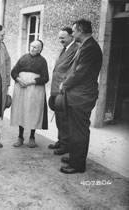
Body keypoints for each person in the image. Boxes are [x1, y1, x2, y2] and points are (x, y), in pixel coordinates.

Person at [59, 19, 103, 174]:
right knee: (74, 129)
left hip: (82, 97)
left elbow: (79, 73)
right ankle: (74, 157)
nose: (73, 33)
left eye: (74, 31)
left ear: (80, 31)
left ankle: (77, 165)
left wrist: (64, 84)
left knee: (79, 131)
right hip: (77, 95)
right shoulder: (85, 45)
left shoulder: (90, 48)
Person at [11, 40, 49, 148]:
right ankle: (20, 137)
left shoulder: (42, 61)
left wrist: (32, 81)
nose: (32, 48)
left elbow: (45, 78)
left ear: (40, 49)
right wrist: (18, 79)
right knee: (21, 111)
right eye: (31, 46)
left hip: (34, 90)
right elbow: (13, 71)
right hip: (21, 89)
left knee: (33, 112)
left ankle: (32, 137)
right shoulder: (23, 58)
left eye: (36, 47)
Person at [48, 27, 79, 155]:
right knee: (59, 117)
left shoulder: (76, 49)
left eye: (63, 38)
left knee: (65, 119)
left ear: (71, 36)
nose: (60, 40)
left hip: (64, 89)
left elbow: (73, 70)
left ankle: (66, 145)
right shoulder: (65, 48)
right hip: (56, 89)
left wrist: (64, 86)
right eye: (59, 37)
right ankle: (60, 140)